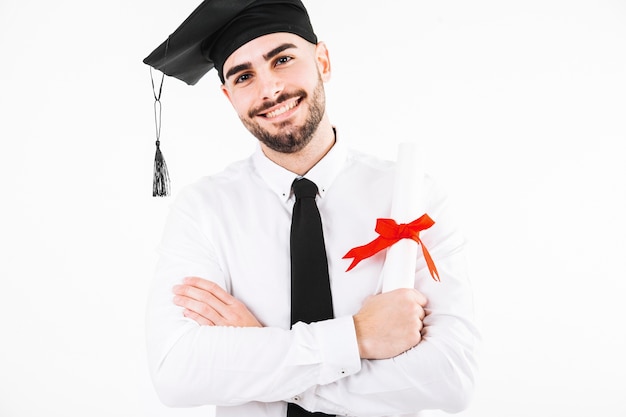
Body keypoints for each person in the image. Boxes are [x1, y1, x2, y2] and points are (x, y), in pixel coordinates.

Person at [144, 1, 479, 416]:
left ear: (322, 60)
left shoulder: (412, 195)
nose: (268, 90)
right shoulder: (205, 210)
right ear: (229, 97)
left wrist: (267, 359)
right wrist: (356, 338)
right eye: (244, 76)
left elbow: (450, 379)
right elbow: (177, 372)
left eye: (282, 59)